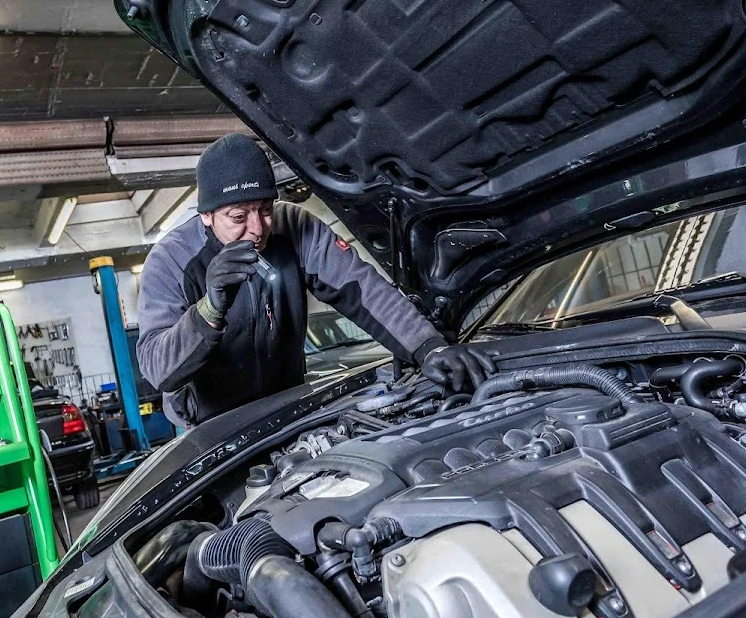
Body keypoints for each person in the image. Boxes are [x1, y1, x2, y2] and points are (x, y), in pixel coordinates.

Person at [136, 133, 489, 428]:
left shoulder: (294, 228)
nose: (257, 229)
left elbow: (362, 289)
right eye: (239, 216)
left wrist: (426, 346)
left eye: (265, 209)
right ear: (207, 215)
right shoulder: (171, 261)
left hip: (286, 408)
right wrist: (209, 309)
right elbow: (159, 370)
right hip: (212, 426)